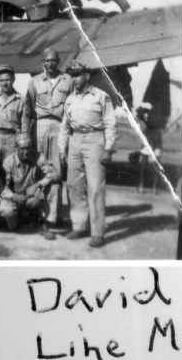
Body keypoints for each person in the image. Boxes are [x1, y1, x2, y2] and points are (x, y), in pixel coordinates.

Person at [58, 61, 117, 248]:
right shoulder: (69, 99)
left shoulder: (101, 96)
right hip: (75, 142)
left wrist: (108, 149)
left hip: (95, 141)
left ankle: (97, 232)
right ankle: (79, 225)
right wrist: (62, 148)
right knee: (74, 186)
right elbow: (64, 127)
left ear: (87, 76)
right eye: (71, 75)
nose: (74, 79)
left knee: (95, 188)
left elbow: (109, 124)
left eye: (77, 75)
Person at [26, 47, 73, 226]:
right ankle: (37, 211)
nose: (50, 63)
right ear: (42, 62)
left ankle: (54, 215)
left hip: (60, 126)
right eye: (47, 60)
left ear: (58, 61)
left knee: (57, 171)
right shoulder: (34, 81)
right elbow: (27, 110)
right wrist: (26, 133)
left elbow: (70, 108)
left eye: (54, 60)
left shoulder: (67, 80)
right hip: (40, 126)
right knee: (39, 168)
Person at [1, 133, 59, 231]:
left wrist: (38, 184)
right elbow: (3, 187)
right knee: (6, 210)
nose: (26, 151)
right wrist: (12, 196)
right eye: (22, 148)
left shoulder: (38, 157)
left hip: (32, 197)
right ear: (16, 148)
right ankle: (16, 226)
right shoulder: (8, 162)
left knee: (54, 186)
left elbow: (55, 174)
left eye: (28, 148)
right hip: (15, 197)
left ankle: (46, 224)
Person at [0, 64, 31, 164]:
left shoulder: (22, 100)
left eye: (8, 80)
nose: (5, 83)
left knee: (10, 168)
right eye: (1, 80)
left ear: (13, 79)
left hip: (12, 139)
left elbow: (25, 126)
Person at [135, 103, 163, 194]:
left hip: (154, 139)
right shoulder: (151, 112)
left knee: (153, 163)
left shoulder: (154, 113)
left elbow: (138, 112)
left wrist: (145, 109)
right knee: (147, 163)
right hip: (151, 138)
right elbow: (138, 112)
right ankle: (144, 186)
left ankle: (147, 187)